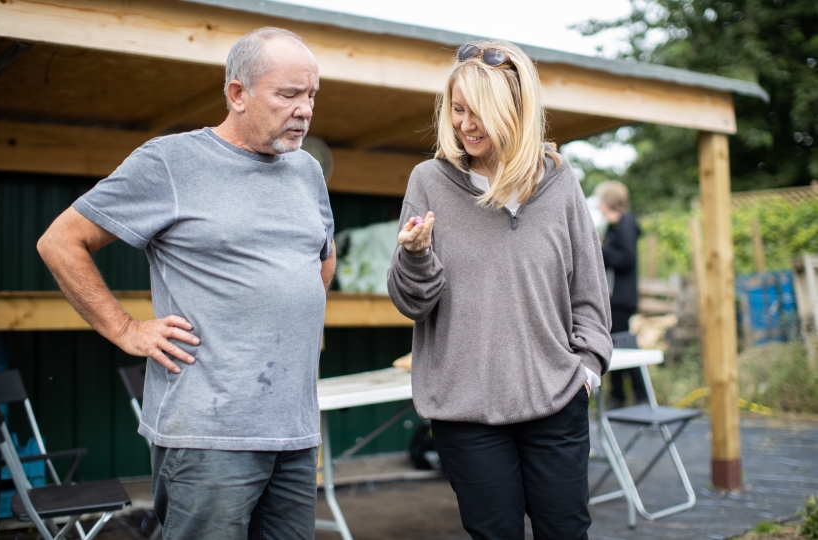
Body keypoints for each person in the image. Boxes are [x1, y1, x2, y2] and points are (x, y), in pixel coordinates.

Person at [37, 27, 335, 540]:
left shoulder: (307, 171)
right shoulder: (170, 162)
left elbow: (319, 262)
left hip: (295, 430)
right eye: (288, 95)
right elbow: (60, 241)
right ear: (237, 94)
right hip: (208, 438)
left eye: (311, 95)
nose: (305, 109)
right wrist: (126, 329)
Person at [387, 40, 613, 540]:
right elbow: (411, 302)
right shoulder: (428, 182)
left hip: (556, 401)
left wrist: (588, 368)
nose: (465, 124)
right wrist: (416, 255)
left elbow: (590, 294)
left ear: (516, 110)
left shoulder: (560, 182)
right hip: (466, 413)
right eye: (458, 108)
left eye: (480, 111)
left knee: (566, 531)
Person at [595, 181, 648, 408]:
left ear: (608, 202)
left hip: (621, 299)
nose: (598, 206)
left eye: (600, 201)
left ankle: (640, 397)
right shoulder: (613, 227)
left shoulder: (625, 224)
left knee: (624, 346)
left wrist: (601, 248)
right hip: (612, 298)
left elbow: (626, 258)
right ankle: (618, 396)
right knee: (614, 346)